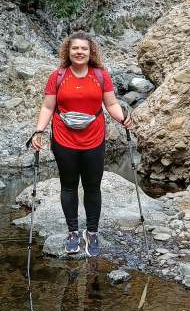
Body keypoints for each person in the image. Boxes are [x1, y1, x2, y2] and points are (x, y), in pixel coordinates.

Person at [31, 31, 132, 257]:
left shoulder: (100, 75)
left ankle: (92, 233)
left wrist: (123, 119)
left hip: (94, 138)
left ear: (90, 52)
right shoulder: (57, 76)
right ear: (68, 51)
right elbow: (48, 107)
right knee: (68, 186)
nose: (79, 52)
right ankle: (73, 232)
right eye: (75, 48)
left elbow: (111, 103)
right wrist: (39, 131)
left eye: (84, 49)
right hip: (63, 139)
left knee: (92, 186)